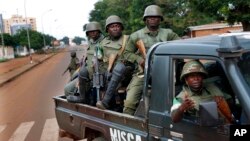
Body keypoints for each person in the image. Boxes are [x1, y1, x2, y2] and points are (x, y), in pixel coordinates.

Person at [123, 5, 180, 115]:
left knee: (171, 100)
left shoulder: (168, 33)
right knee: (130, 102)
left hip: (165, 73)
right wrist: (140, 60)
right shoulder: (136, 35)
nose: (153, 19)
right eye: (150, 17)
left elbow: (180, 45)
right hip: (143, 73)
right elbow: (126, 53)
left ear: (160, 19)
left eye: (156, 17)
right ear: (145, 20)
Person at [95, 15, 132, 111]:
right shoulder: (103, 42)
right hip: (108, 73)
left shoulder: (127, 39)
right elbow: (98, 57)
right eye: (112, 26)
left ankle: (105, 102)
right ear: (107, 29)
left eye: (117, 26)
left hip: (125, 74)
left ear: (121, 28)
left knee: (119, 68)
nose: (115, 28)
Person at [64, 21, 105, 105]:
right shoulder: (91, 42)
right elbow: (88, 57)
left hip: (97, 75)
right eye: (90, 32)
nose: (92, 33)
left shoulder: (104, 42)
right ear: (87, 33)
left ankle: (84, 100)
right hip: (86, 73)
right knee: (68, 87)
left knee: (69, 89)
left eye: (94, 31)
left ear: (99, 31)